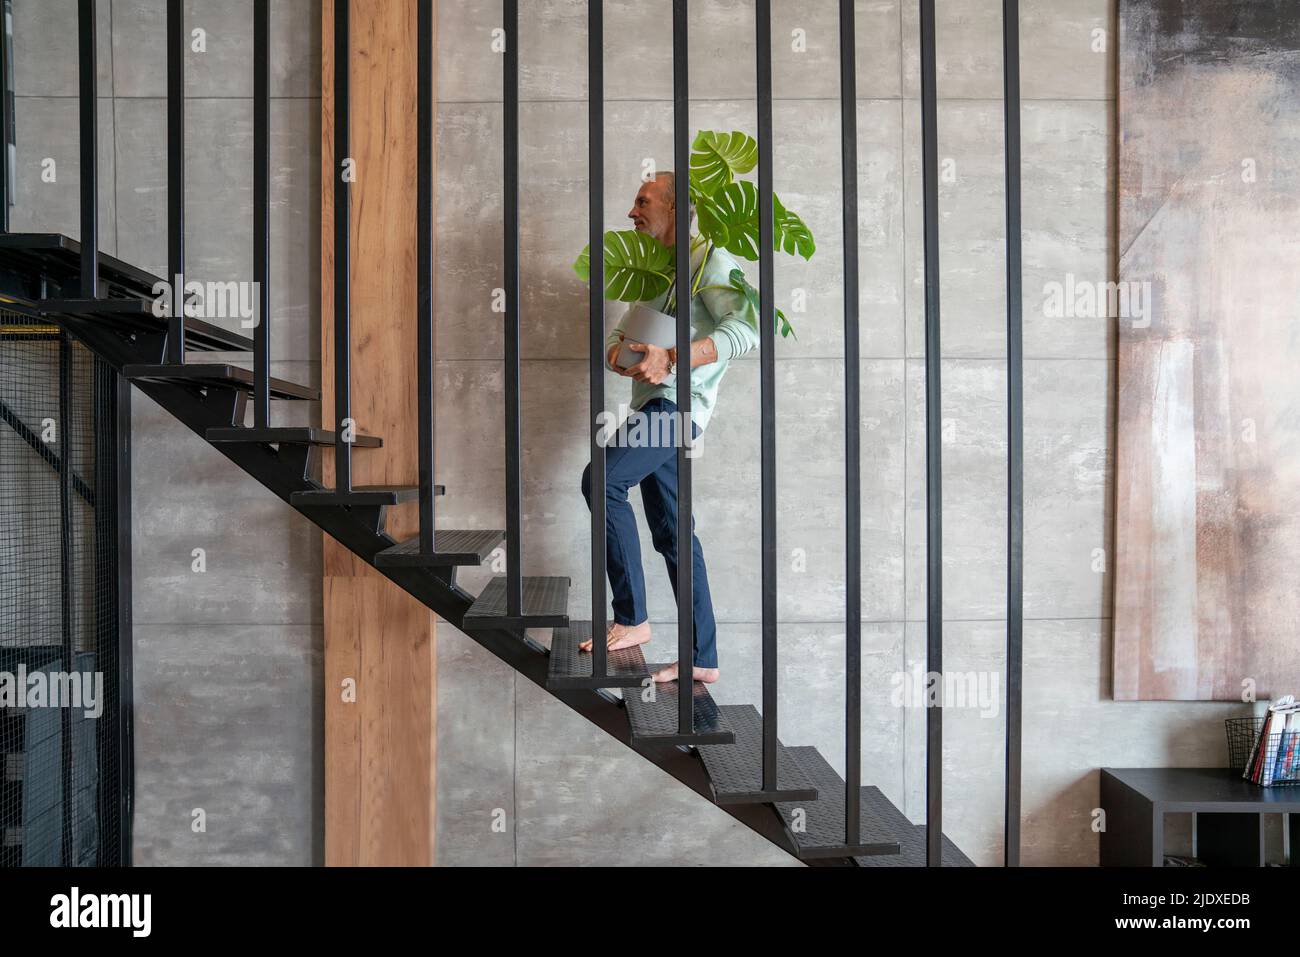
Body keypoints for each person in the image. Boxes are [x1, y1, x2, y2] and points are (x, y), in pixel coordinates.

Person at [578, 171, 758, 684]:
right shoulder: (657, 275)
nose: (632, 212)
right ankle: (703, 657)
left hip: (676, 409)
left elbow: (747, 330)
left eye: (642, 202)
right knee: (676, 534)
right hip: (654, 405)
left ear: (677, 208)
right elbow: (616, 340)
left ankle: (632, 617)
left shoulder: (711, 263)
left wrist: (672, 356)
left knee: (603, 480)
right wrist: (630, 358)